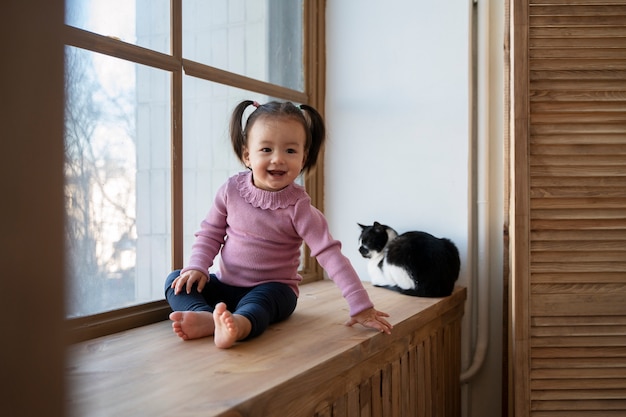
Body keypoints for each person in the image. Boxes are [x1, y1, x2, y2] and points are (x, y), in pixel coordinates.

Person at [165, 100, 392, 349]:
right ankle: (206, 316)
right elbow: (210, 233)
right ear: (247, 155)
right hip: (225, 284)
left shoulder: (300, 209)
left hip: (274, 290)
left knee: (262, 303)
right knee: (176, 279)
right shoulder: (231, 190)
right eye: (266, 149)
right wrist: (196, 267)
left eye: (290, 151)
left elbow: (332, 257)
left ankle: (239, 325)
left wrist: (361, 306)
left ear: (303, 158)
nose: (278, 159)